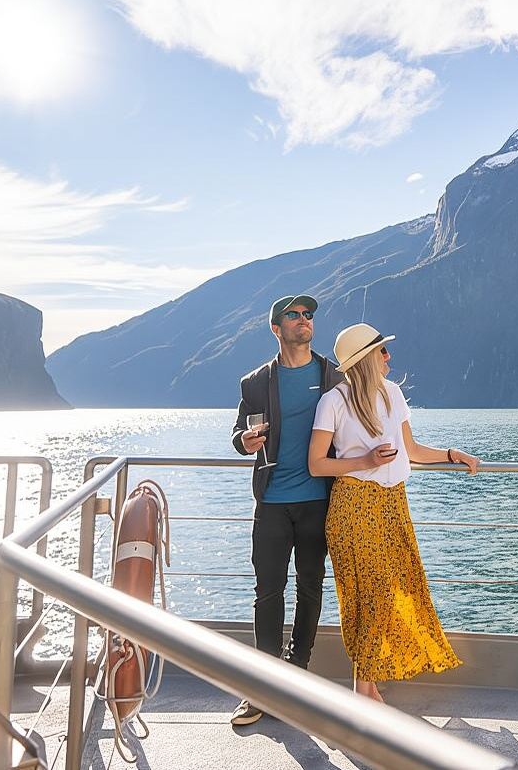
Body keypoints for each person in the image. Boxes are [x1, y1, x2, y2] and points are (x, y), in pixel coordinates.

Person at [308, 322, 480, 703]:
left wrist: (453, 454)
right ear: (366, 358)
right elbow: (317, 464)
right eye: (382, 351)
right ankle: (363, 691)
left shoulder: (393, 394)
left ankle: (364, 689)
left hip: (392, 505)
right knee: (370, 595)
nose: (389, 357)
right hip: (354, 505)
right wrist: (364, 460)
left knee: (392, 590)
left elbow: (412, 450)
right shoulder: (333, 401)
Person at [229, 294, 343, 725]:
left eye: (308, 315)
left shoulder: (335, 377)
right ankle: (264, 686)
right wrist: (244, 441)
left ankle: (298, 675)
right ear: (276, 328)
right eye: (293, 316)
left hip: (319, 500)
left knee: (311, 588)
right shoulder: (255, 382)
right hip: (273, 502)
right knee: (268, 592)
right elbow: (239, 431)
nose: (303, 321)